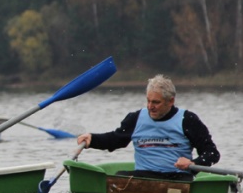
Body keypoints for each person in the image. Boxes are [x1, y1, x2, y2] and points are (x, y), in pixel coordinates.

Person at [76, 74, 219, 180]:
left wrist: (192, 163)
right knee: (119, 177)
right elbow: (115, 139)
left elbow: (212, 153)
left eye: (156, 102)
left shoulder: (188, 120)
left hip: (176, 177)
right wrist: (92, 139)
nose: (150, 107)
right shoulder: (136, 118)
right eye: (148, 101)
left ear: (170, 101)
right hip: (143, 176)